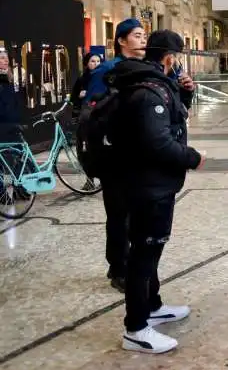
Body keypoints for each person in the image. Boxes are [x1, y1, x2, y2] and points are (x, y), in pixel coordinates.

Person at [110, 30, 203, 354]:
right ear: (169, 58)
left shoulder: (154, 83)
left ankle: (152, 306)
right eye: (176, 58)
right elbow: (158, 142)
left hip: (153, 184)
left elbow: (173, 122)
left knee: (150, 250)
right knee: (144, 254)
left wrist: (185, 94)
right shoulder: (149, 91)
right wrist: (193, 158)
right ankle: (135, 328)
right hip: (148, 186)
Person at [86, 18, 147, 292]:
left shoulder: (147, 68)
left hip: (140, 151)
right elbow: (94, 109)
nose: (143, 39)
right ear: (122, 40)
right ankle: (118, 267)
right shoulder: (108, 71)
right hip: (115, 153)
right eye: (136, 35)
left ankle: (136, 263)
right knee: (118, 214)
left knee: (139, 213)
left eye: (144, 34)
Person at [70, 53, 102, 121]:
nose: (96, 64)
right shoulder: (82, 79)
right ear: (87, 63)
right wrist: (79, 96)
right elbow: (73, 98)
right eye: (93, 61)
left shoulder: (105, 77)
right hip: (86, 113)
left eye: (98, 61)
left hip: (102, 111)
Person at [0, 49, 21, 143]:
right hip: (3, 120)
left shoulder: (9, 75)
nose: (6, 61)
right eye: (2, 58)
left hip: (12, 118)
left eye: (7, 58)